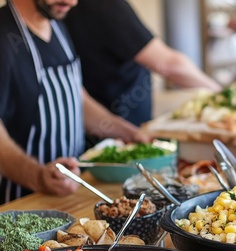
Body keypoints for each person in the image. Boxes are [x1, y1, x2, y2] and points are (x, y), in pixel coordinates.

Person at [0, 0, 150, 204]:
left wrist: (128, 133)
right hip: (22, 203)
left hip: (72, 192)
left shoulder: (57, 26)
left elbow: (77, 99)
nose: (71, 2)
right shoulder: (4, 36)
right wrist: (38, 177)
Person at [64, 0, 222, 127]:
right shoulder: (106, 6)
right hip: (120, 124)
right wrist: (221, 94)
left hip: (100, 124)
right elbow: (169, 64)